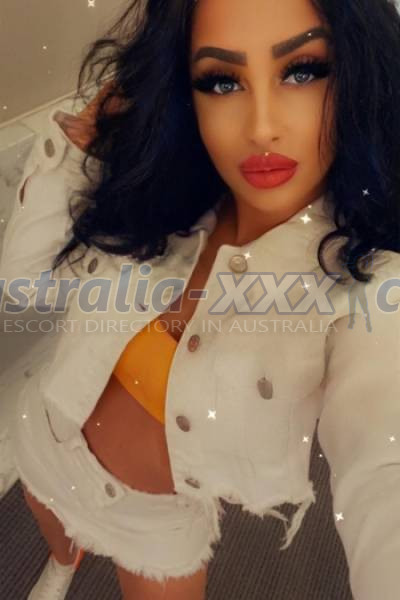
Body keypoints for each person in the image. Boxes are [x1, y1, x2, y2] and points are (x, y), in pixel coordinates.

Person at [2, 0, 400, 598]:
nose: (261, 127)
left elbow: (385, 465)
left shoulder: (363, 282)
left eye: (302, 71)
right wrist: (79, 155)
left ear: (361, 78)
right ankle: (62, 567)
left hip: (154, 523)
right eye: (221, 81)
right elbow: (22, 285)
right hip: (47, 441)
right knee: (54, 535)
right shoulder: (159, 199)